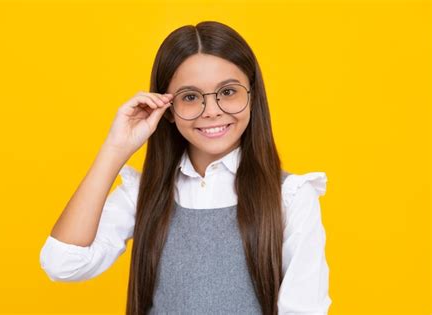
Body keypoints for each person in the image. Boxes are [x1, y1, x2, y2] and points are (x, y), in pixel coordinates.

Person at [39, 21, 332, 315]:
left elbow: (304, 309)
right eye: (190, 97)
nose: (213, 110)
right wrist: (116, 149)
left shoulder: (290, 197)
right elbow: (62, 263)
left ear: (252, 96)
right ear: (166, 109)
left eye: (228, 91)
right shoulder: (145, 194)